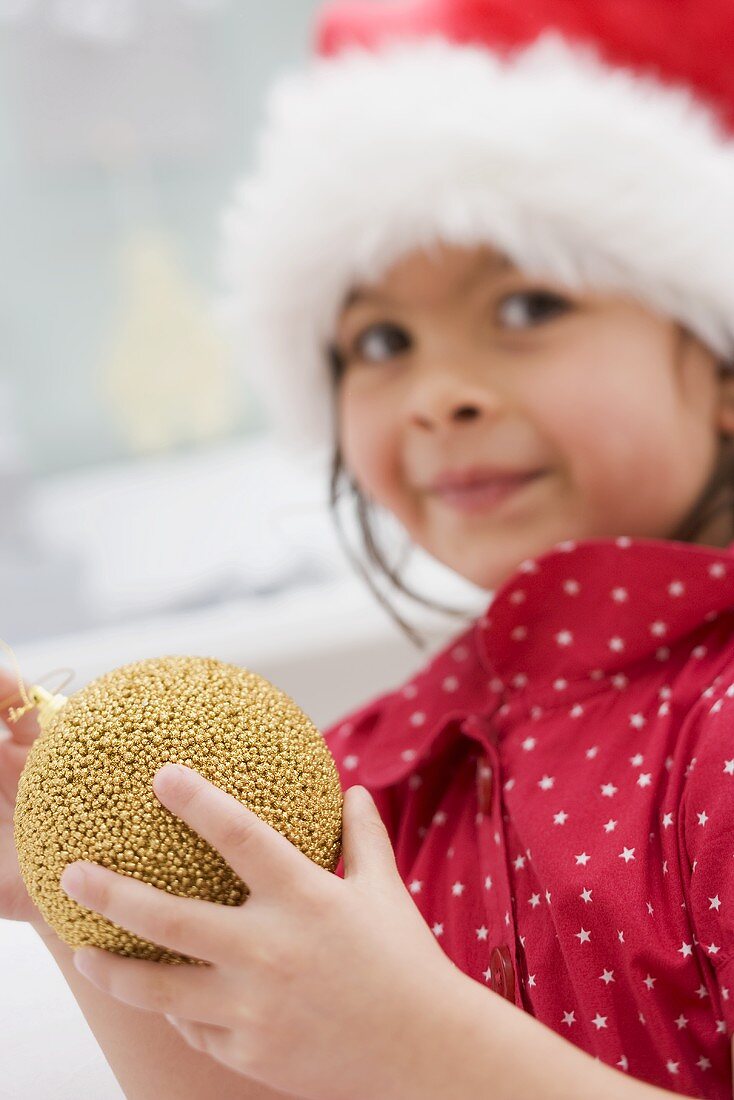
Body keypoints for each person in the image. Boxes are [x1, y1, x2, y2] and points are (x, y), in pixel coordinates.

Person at [3, 1, 734, 1098]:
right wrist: (84, 903)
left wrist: (418, 1051)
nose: (439, 396)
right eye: (380, 341)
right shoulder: (357, 767)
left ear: (720, 357)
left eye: (526, 304)